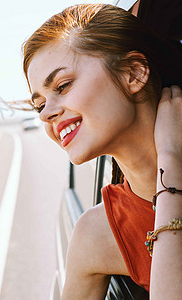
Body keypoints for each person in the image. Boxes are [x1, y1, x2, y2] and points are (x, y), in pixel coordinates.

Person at [21, 4, 181, 299]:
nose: (45, 115)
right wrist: (169, 163)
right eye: (40, 105)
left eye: (63, 85)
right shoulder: (97, 234)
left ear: (133, 73)